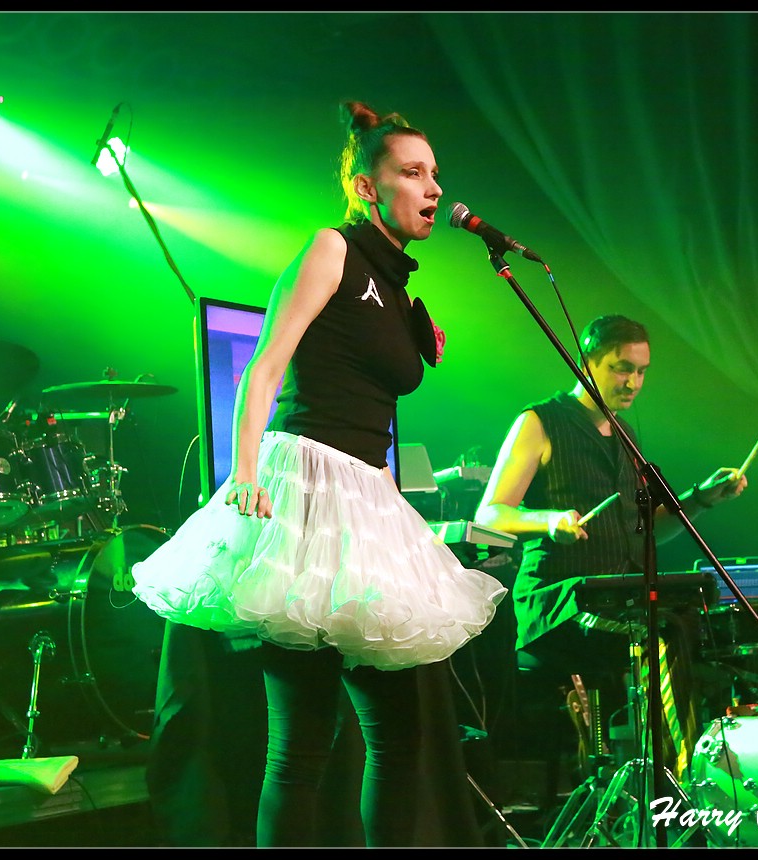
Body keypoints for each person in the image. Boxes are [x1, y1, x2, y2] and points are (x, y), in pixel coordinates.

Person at [131, 100, 507, 848]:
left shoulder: (396, 286)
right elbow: (266, 364)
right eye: (413, 173)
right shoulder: (332, 248)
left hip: (366, 496)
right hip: (305, 484)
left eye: (434, 173)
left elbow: (373, 390)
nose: (434, 188)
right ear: (368, 187)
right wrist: (243, 470)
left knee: (397, 739)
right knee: (301, 745)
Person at [473, 314, 746, 787]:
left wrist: (701, 499)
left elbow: (642, 532)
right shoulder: (539, 422)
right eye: (622, 368)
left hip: (613, 600)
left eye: (641, 372)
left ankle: (660, 778)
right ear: (587, 363)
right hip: (556, 603)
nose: (633, 382)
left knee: (693, 626)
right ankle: (678, 784)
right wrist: (548, 521)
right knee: (660, 635)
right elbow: (489, 514)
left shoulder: (626, 436)